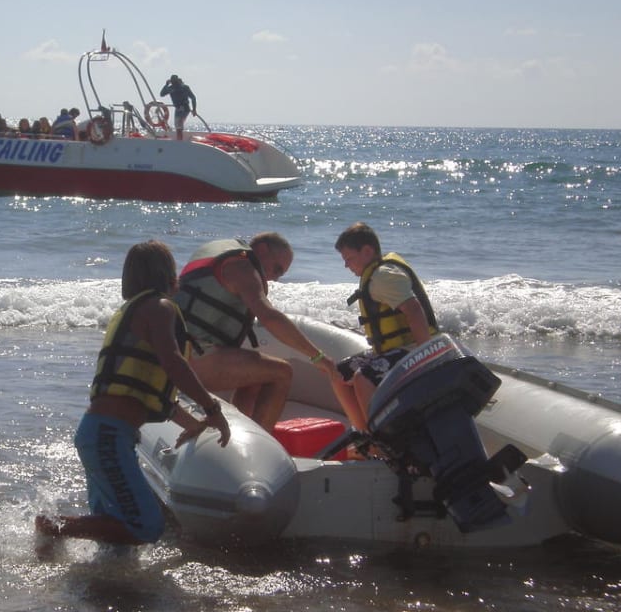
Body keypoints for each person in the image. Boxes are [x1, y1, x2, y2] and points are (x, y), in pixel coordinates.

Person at [35, 240, 231, 546]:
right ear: (168, 274)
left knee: (116, 536)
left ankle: (100, 583)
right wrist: (212, 409)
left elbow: (153, 395)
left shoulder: (134, 310)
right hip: (108, 437)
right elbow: (174, 362)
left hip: (101, 434)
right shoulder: (160, 307)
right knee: (145, 526)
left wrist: (192, 425)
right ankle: (52, 527)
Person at [173, 233, 335, 432]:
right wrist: (318, 356)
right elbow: (269, 317)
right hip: (193, 358)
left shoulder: (221, 255)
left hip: (177, 351)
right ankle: (262, 447)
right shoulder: (242, 267)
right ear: (263, 250)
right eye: (277, 269)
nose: (275, 278)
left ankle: (239, 433)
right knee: (282, 373)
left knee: (257, 374)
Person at [331, 222, 439, 432]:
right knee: (339, 374)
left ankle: (383, 440)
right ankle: (366, 434)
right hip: (394, 350)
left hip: (414, 349)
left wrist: (425, 359)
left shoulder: (383, 277)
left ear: (367, 251)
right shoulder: (376, 276)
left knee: (363, 378)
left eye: (349, 259)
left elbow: (414, 311)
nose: (346, 266)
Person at [159, 74, 197, 140]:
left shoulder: (184, 87)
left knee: (179, 125)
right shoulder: (171, 88)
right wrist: (166, 85)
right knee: (178, 126)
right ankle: (179, 139)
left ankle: (179, 141)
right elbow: (162, 94)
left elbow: (193, 98)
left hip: (184, 108)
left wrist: (194, 109)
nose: (174, 83)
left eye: (175, 81)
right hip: (178, 109)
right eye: (173, 82)